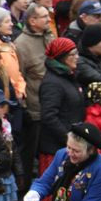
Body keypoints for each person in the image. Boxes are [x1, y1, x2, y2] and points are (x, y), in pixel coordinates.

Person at [16, 3, 56, 191]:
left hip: (54, 106)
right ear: (32, 21)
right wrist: (24, 107)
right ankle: (24, 192)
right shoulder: (22, 45)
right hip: (35, 109)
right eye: (44, 17)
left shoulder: (50, 36)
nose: (49, 19)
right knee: (30, 154)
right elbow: (19, 77)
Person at [39, 37, 84, 174]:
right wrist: (68, 139)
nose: (77, 57)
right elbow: (49, 116)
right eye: (73, 54)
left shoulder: (69, 77)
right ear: (62, 57)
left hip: (71, 146)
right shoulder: (52, 83)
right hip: (56, 150)